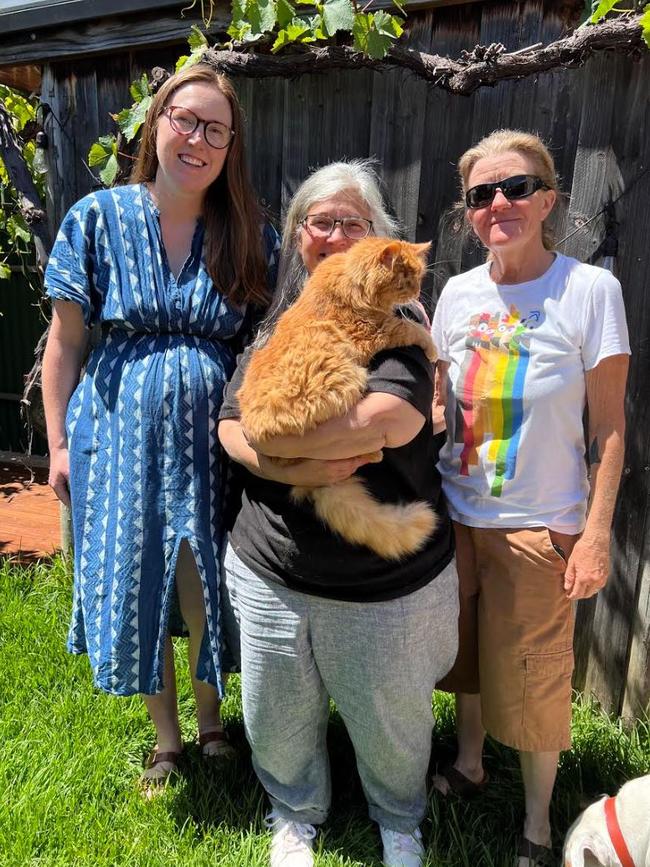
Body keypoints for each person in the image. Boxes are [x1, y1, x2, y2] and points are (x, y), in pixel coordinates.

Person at [41, 64, 279, 789]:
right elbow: (65, 342)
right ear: (157, 123)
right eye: (185, 120)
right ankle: (167, 739)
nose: (196, 139)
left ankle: (213, 724)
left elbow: (266, 340)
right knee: (135, 575)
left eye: (215, 128)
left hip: (211, 444)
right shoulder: (98, 218)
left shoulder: (247, 234)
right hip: (113, 436)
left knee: (202, 578)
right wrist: (55, 445)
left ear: (230, 144)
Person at [218, 160, 457, 867]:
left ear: (375, 236)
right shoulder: (279, 315)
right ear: (299, 240)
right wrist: (284, 461)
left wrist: (276, 439)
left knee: (393, 722)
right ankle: (293, 810)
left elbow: (386, 420)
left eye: (351, 222)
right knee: (275, 714)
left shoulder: (400, 313)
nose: (334, 234)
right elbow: (234, 424)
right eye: (320, 222)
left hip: (380, 583)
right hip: (271, 562)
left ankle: (398, 814)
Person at [430, 129, 629, 867]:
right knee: (467, 657)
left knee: (538, 678)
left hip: (540, 527)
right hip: (458, 518)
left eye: (516, 188)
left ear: (549, 198)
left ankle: (539, 825)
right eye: (481, 195)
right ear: (468, 213)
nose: (498, 205)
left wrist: (598, 533)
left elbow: (610, 430)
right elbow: (445, 404)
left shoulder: (587, 291)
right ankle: (471, 761)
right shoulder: (456, 293)